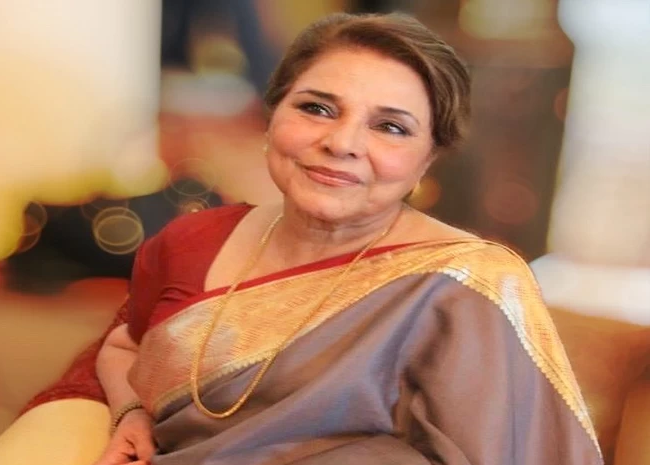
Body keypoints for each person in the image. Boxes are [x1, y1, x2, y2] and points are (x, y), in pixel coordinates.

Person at [64, 12, 603, 465]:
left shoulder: (464, 287)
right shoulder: (190, 240)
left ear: (428, 160)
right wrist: (129, 413)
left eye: (390, 127)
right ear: (272, 117)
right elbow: (124, 347)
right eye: (316, 108)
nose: (342, 142)